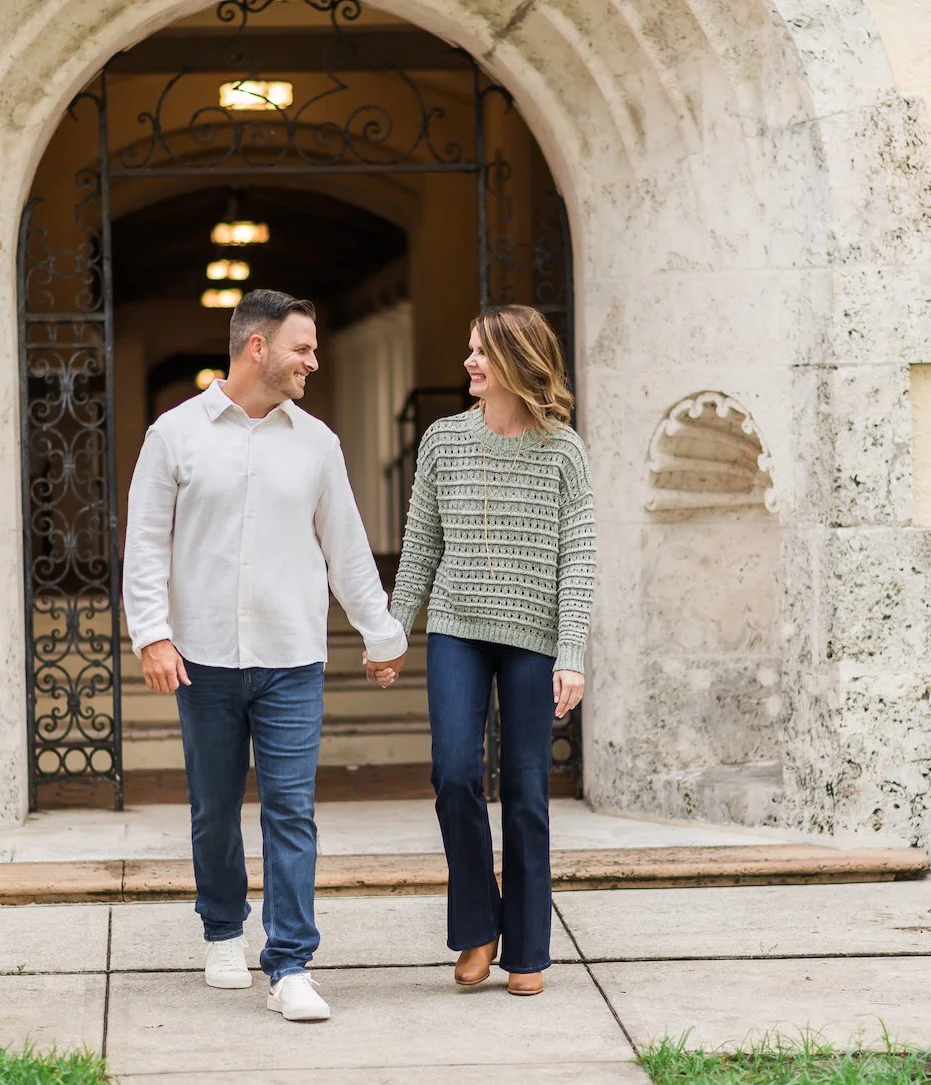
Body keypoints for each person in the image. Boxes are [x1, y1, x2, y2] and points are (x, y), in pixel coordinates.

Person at [122, 288, 409, 1022]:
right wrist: (152, 633)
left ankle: (290, 964)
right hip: (203, 657)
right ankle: (223, 930)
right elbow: (145, 543)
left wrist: (381, 636)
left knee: (290, 811)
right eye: (302, 348)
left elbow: (347, 549)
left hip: (290, 658)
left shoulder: (317, 444)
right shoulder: (173, 435)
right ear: (258, 348)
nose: (313, 361)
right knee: (214, 810)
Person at [380, 304, 596, 997]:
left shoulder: (563, 450)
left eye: (482, 351)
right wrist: (393, 631)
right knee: (453, 773)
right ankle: (477, 924)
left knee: (527, 789)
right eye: (470, 348)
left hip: (535, 637)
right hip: (457, 626)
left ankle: (527, 945)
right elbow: (420, 545)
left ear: (516, 361)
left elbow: (579, 557)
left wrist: (571, 652)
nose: (470, 361)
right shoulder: (443, 441)